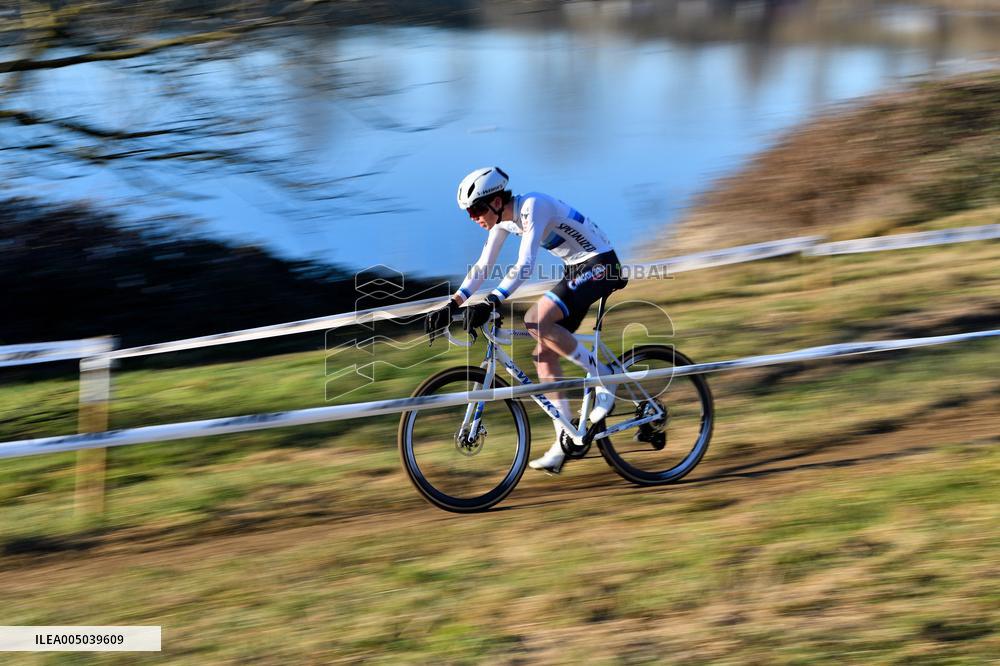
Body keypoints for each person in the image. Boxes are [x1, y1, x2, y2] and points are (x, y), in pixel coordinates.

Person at [425, 167, 628, 474]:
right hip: (577, 269)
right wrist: (452, 303)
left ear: (496, 201)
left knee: (535, 321)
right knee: (543, 355)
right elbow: (482, 266)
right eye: (469, 214)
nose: (474, 218)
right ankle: (566, 438)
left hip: (601, 265)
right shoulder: (503, 222)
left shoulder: (533, 206)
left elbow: (525, 264)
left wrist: (492, 300)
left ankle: (605, 376)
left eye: (476, 210)